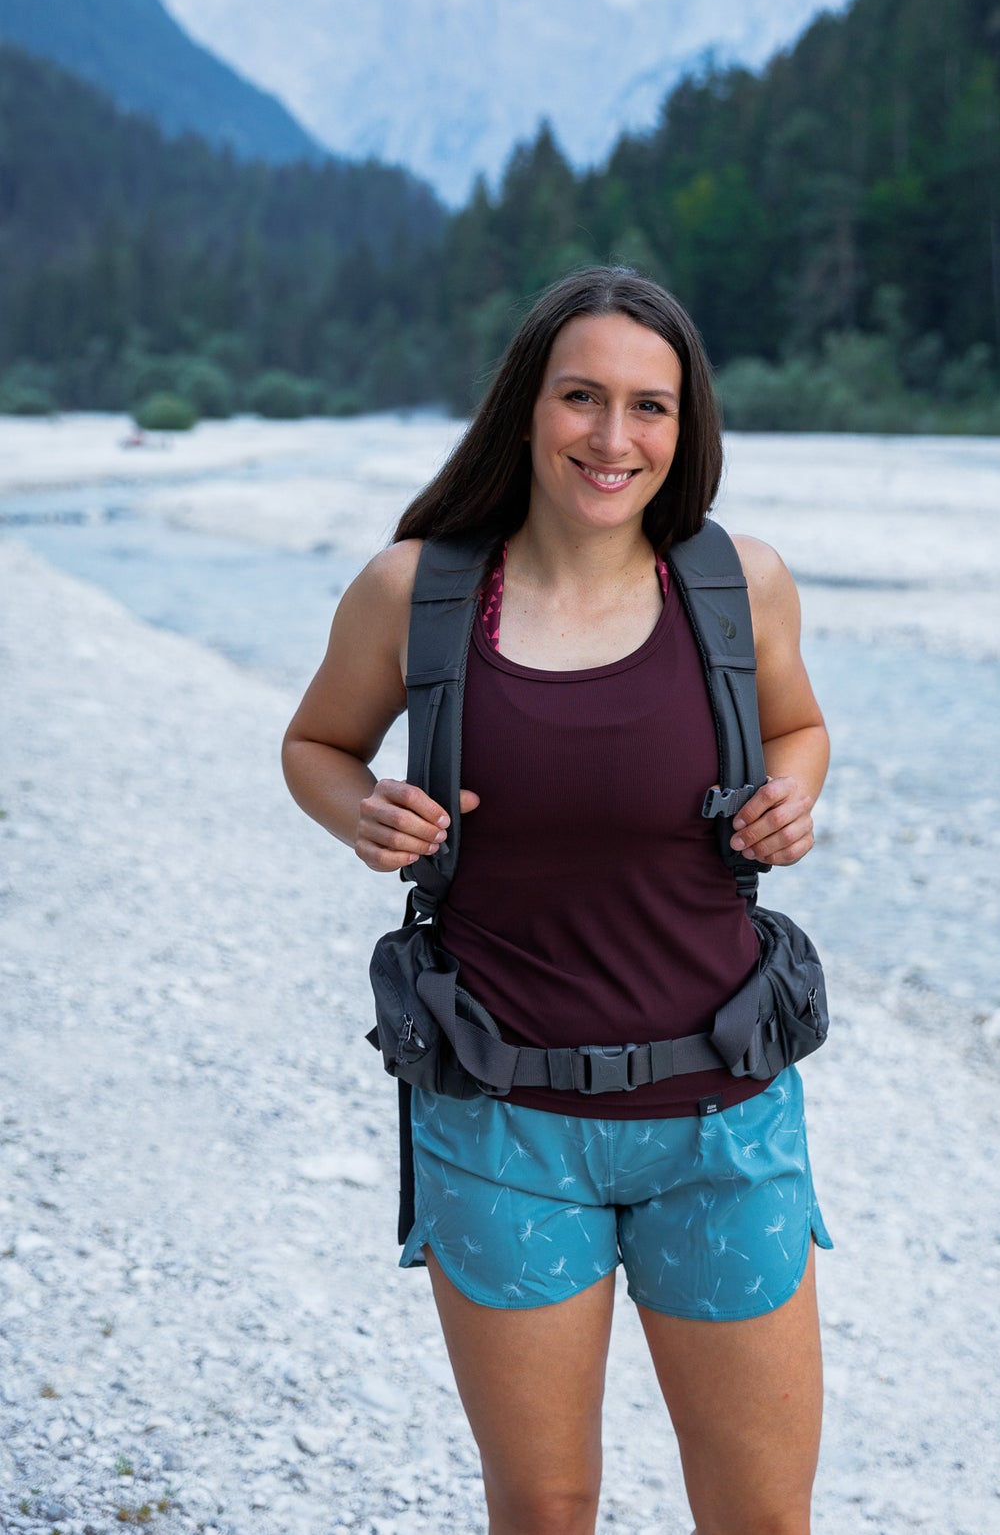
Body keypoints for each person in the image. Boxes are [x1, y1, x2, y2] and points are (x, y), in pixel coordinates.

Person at [282, 267, 832, 1535]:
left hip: (724, 1124)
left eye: (649, 407)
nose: (611, 437)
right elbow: (313, 747)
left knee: (759, 1514)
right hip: (497, 1125)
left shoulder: (736, 586)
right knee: (543, 1509)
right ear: (525, 409)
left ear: (684, 430)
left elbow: (797, 727)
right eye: (581, 397)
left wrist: (793, 796)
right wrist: (360, 810)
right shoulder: (412, 593)